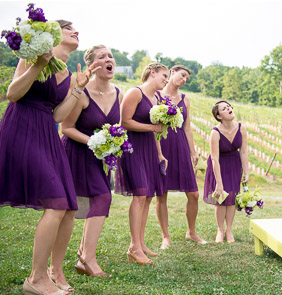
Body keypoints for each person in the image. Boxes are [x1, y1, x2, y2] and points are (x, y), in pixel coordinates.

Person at [0, 20, 91, 295]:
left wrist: (79, 88)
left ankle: (54, 272)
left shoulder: (71, 74)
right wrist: (39, 64)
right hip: (22, 128)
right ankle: (35, 278)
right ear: (52, 34)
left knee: (69, 206)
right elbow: (12, 94)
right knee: (57, 203)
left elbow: (59, 116)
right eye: (68, 27)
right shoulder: (32, 56)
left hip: (47, 133)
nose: (76, 30)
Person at [61, 45, 116, 278]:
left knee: (100, 200)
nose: (107, 59)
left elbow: (115, 128)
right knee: (74, 207)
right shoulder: (82, 93)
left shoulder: (118, 93)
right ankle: (87, 259)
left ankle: (85, 256)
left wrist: (114, 144)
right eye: (101, 57)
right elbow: (66, 128)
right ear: (93, 65)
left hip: (100, 159)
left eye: (110, 56)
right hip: (76, 153)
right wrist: (95, 143)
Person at [116, 62, 170, 264]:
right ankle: (133, 247)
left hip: (149, 149)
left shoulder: (157, 97)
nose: (166, 80)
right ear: (152, 72)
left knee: (147, 197)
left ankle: (141, 242)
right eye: (164, 75)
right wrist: (151, 128)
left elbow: (157, 130)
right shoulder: (135, 93)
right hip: (133, 149)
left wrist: (159, 154)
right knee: (139, 196)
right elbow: (125, 122)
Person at [155, 65, 206, 247]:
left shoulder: (185, 99)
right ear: (172, 72)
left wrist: (193, 152)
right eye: (182, 75)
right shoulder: (157, 95)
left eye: (187, 79)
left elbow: (186, 127)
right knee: (162, 194)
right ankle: (165, 236)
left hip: (181, 147)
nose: (184, 80)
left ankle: (191, 232)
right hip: (162, 145)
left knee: (193, 194)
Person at [202, 100, 249, 243]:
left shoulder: (241, 128)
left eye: (229, 106)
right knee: (221, 197)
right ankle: (220, 230)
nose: (229, 108)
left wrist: (246, 172)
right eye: (224, 108)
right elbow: (214, 158)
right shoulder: (215, 133)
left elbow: (244, 152)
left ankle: (229, 229)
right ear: (218, 116)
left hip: (234, 164)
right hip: (219, 165)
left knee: (232, 197)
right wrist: (219, 183)